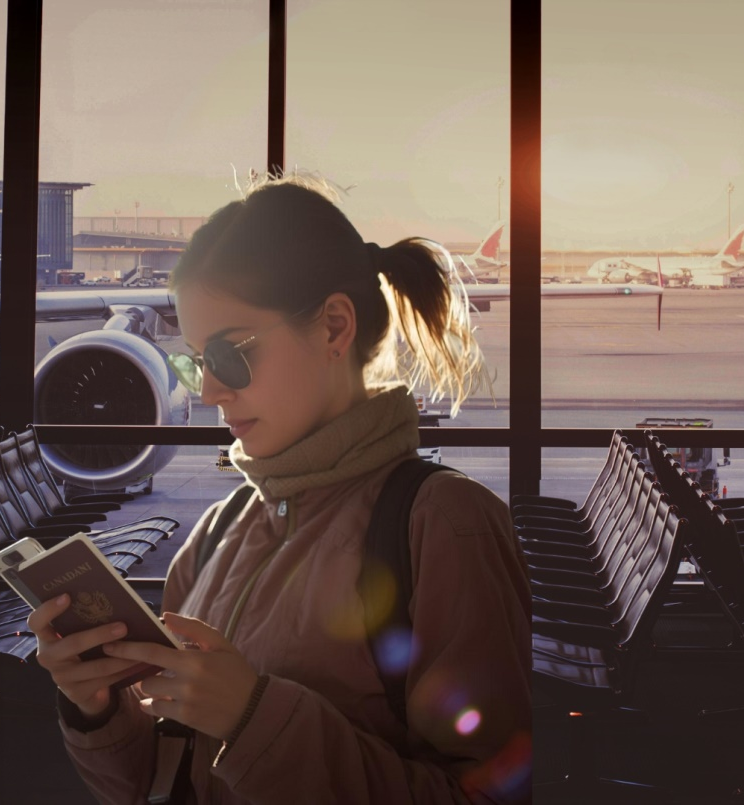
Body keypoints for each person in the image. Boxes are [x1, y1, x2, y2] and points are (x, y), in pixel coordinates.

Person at [28, 174, 531, 804]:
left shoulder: (444, 526)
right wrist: (98, 710)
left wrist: (254, 719)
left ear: (333, 328)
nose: (209, 391)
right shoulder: (216, 532)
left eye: (230, 355)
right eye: (195, 361)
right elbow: (158, 782)